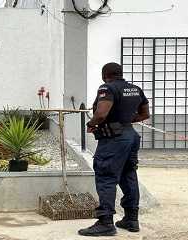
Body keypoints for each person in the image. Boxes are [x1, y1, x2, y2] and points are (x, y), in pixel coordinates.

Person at [78, 62, 150, 236]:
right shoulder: (135, 89)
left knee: (106, 177)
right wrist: (125, 122)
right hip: (130, 136)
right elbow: (145, 114)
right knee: (129, 175)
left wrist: (91, 123)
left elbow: (102, 113)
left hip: (114, 140)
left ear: (105, 75)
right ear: (120, 74)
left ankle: (106, 222)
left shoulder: (107, 88)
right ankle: (131, 219)